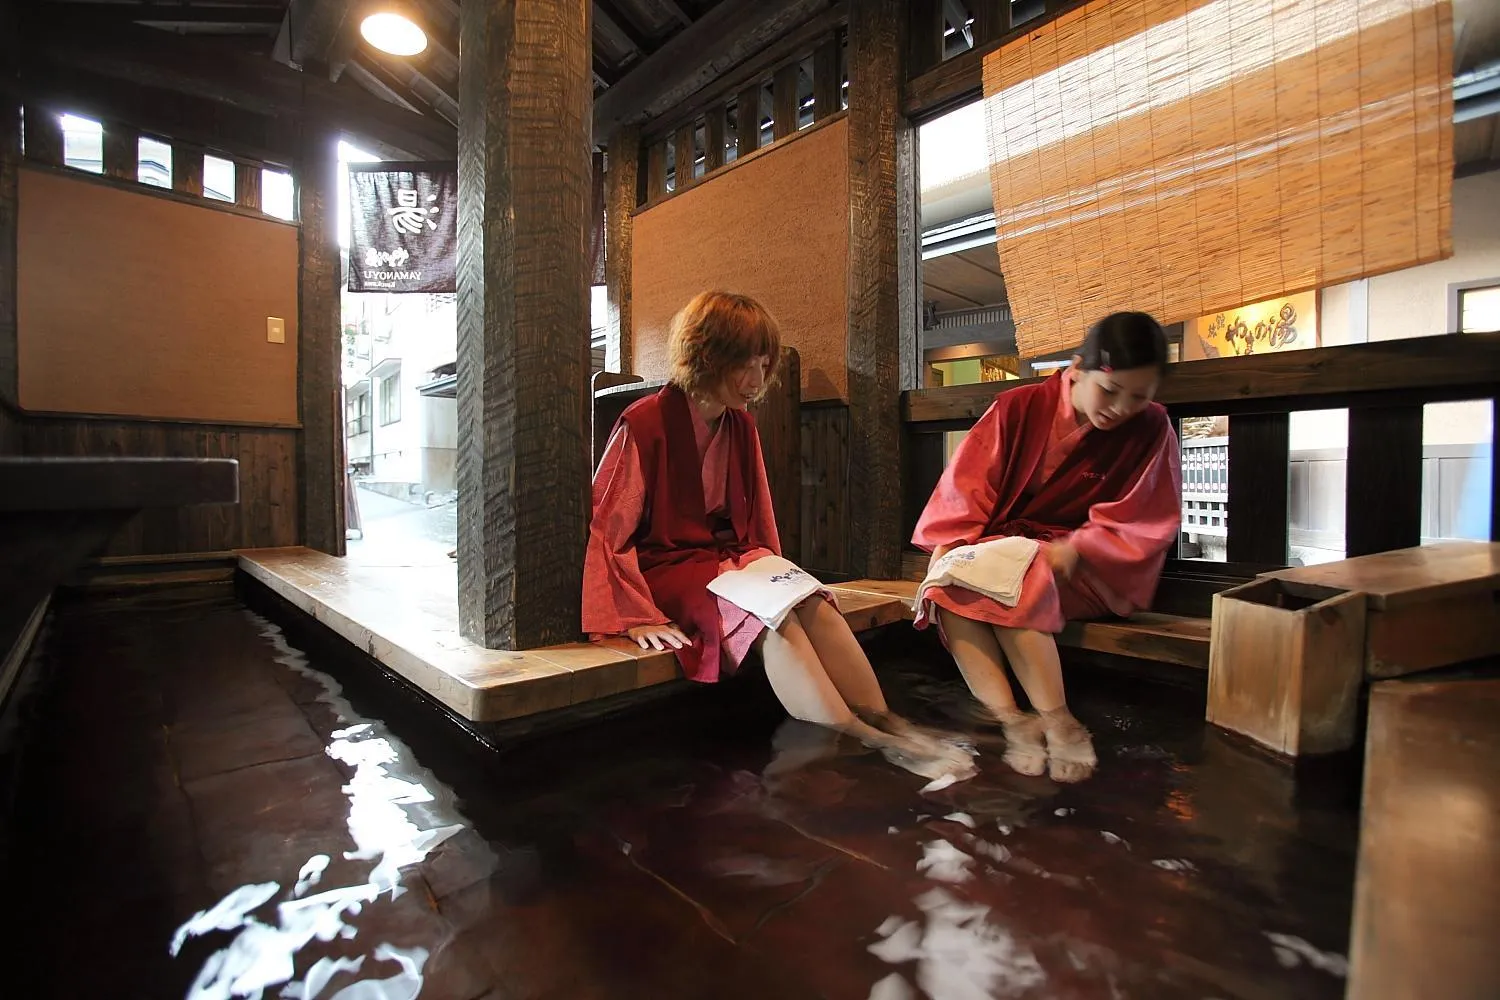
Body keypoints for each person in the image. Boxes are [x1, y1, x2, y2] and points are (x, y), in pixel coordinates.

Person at [585, 291, 971, 781]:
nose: (757, 378)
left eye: (764, 364)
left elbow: (759, 519)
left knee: (811, 601)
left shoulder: (740, 426)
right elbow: (608, 527)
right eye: (744, 363)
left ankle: (892, 721)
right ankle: (866, 737)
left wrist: (779, 573)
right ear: (706, 355)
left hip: (726, 558)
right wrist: (634, 615)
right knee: (771, 621)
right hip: (665, 567)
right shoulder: (644, 423)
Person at [911, 312, 1182, 783]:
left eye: (1138, 397)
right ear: (1077, 368)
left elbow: (1149, 513)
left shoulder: (1152, 427)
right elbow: (969, 486)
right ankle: (1011, 720)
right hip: (1008, 549)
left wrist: (1081, 546)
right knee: (949, 586)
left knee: (1022, 568)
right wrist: (950, 550)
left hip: (1086, 567)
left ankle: (1059, 720)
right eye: (1110, 390)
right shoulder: (1018, 407)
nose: (1121, 408)